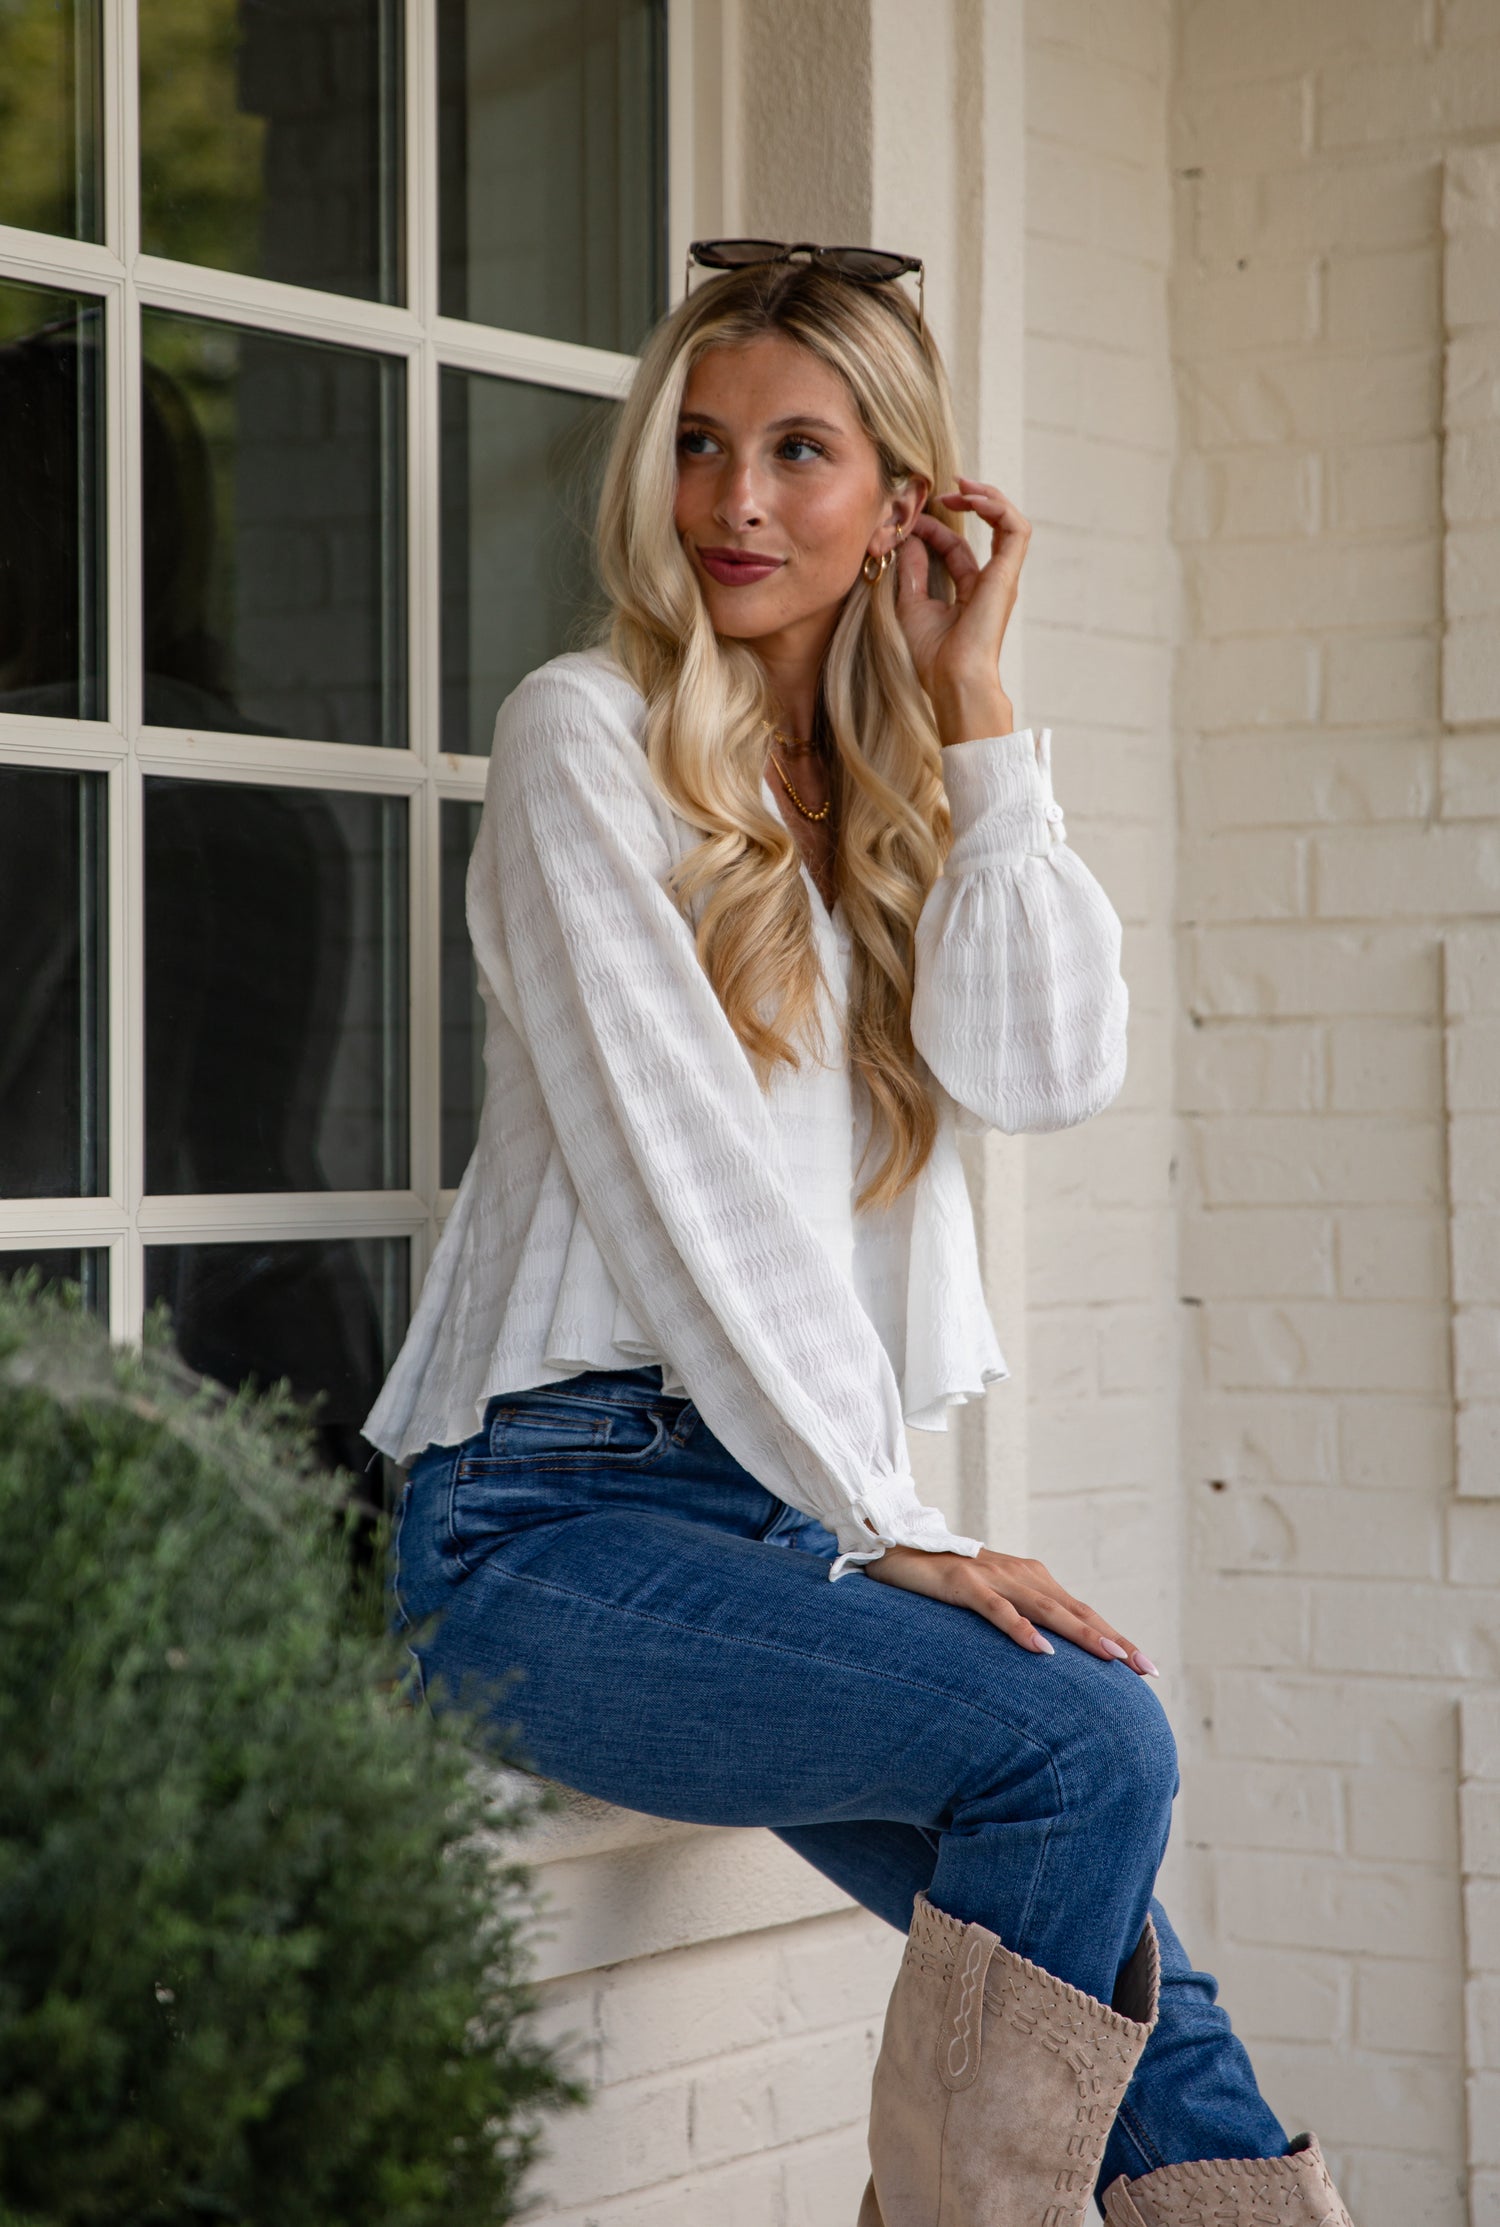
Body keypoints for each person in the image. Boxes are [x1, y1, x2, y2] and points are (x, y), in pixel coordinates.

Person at [364, 244, 1356, 2227]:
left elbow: (1046, 1067)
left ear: (905, 496)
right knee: (1086, 1745)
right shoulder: (583, 736)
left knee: (1142, 1996)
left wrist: (978, 716)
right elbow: (683, 1184)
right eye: (699, 445)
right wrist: (889, 1518)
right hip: (541, 1533)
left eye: (799, 452)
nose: (733, 501)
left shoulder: (886, 792)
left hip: (773, 1524)